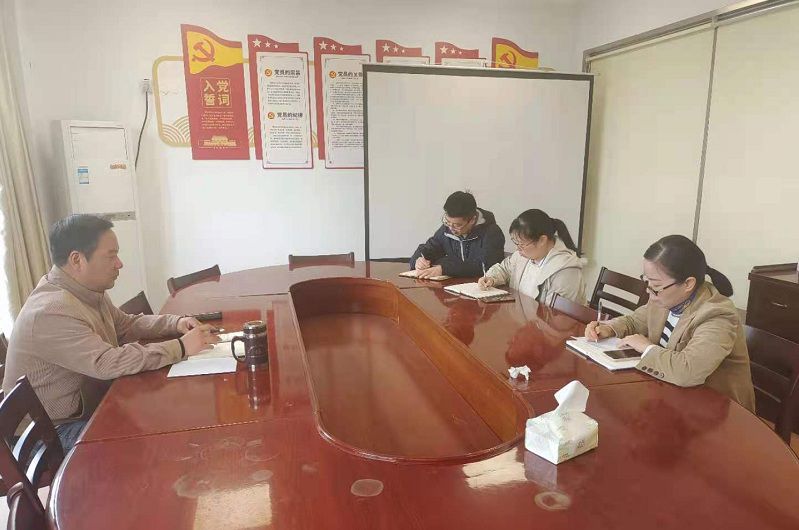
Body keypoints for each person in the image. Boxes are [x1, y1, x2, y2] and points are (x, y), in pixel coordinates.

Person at [3, 214, 219, 450]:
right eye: (111, 256)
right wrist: (181, 346)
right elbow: (107, 363)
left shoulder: (85, 291)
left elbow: (125, 325)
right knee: (152, 435)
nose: (119, 264)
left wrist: (176, 323)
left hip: (84, 407)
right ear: (77, 260)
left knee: (164, 413)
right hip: (49, 434)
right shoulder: (52, 310)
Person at [584, 235, 755, 411]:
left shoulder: (717, 315)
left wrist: (646, 348)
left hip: (717, 411)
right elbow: (635, 321)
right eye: (647, 281)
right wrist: (608, 328)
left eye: (655, 285)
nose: (649, 291)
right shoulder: (665, 296)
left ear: (688, 284)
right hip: (671, 395)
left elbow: (687, 371)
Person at [478, 209, 585, 305]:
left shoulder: (566, 271)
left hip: (544, 320)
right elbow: (504, 269)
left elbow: (557, 315)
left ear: (542, 240)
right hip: (520, 316)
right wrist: (491, 278)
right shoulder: (523, 255)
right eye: (516, 243)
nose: (517, 249)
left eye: (521, 244)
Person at [410, 191, 505, 278]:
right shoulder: (447, 228)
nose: (451, 228)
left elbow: (486, 266)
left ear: (472, 220)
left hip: (480, 286)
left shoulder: (492, 233)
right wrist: (419, 260)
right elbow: (429, 248)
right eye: (447, 222)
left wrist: (445, 268)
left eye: (457, 225)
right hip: (454, 285)